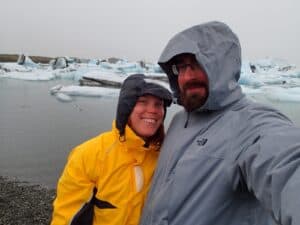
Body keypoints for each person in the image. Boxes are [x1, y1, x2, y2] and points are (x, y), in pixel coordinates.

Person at [139, 21, 300, 225]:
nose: (187, 76)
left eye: (197, 64)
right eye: (181, 67)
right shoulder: (179, 120)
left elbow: (287, 166)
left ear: (222, 66)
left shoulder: (251, 124)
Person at [50, 74, 172, 225]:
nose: (152, 110)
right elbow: (67, 217)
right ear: (126, 106)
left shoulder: (166, 156)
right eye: (142, 102)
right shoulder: (89, 155)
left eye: (158, 104)